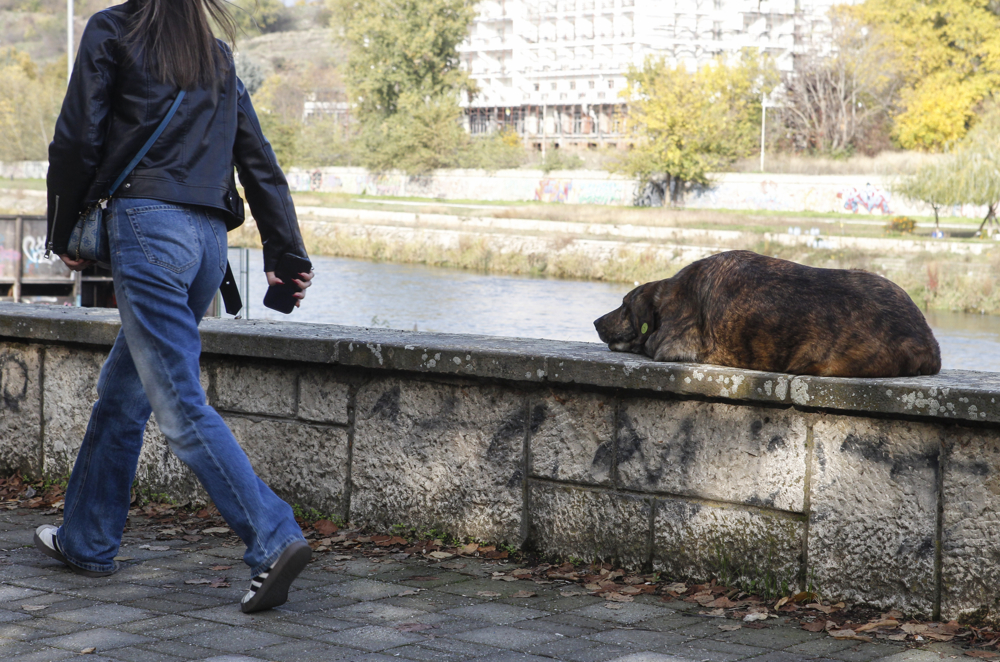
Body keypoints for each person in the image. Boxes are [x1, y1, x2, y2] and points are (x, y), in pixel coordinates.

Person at [36, 0, 315, 613]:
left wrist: (62, 232)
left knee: (178, 404)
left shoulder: (111, 30)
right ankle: (86, 541)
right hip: (208, 245)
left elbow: (77, 136)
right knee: (124, 392)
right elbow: (259, 161)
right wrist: (287, 256)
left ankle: (272, 536)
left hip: (148, 229)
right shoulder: (214, 53)